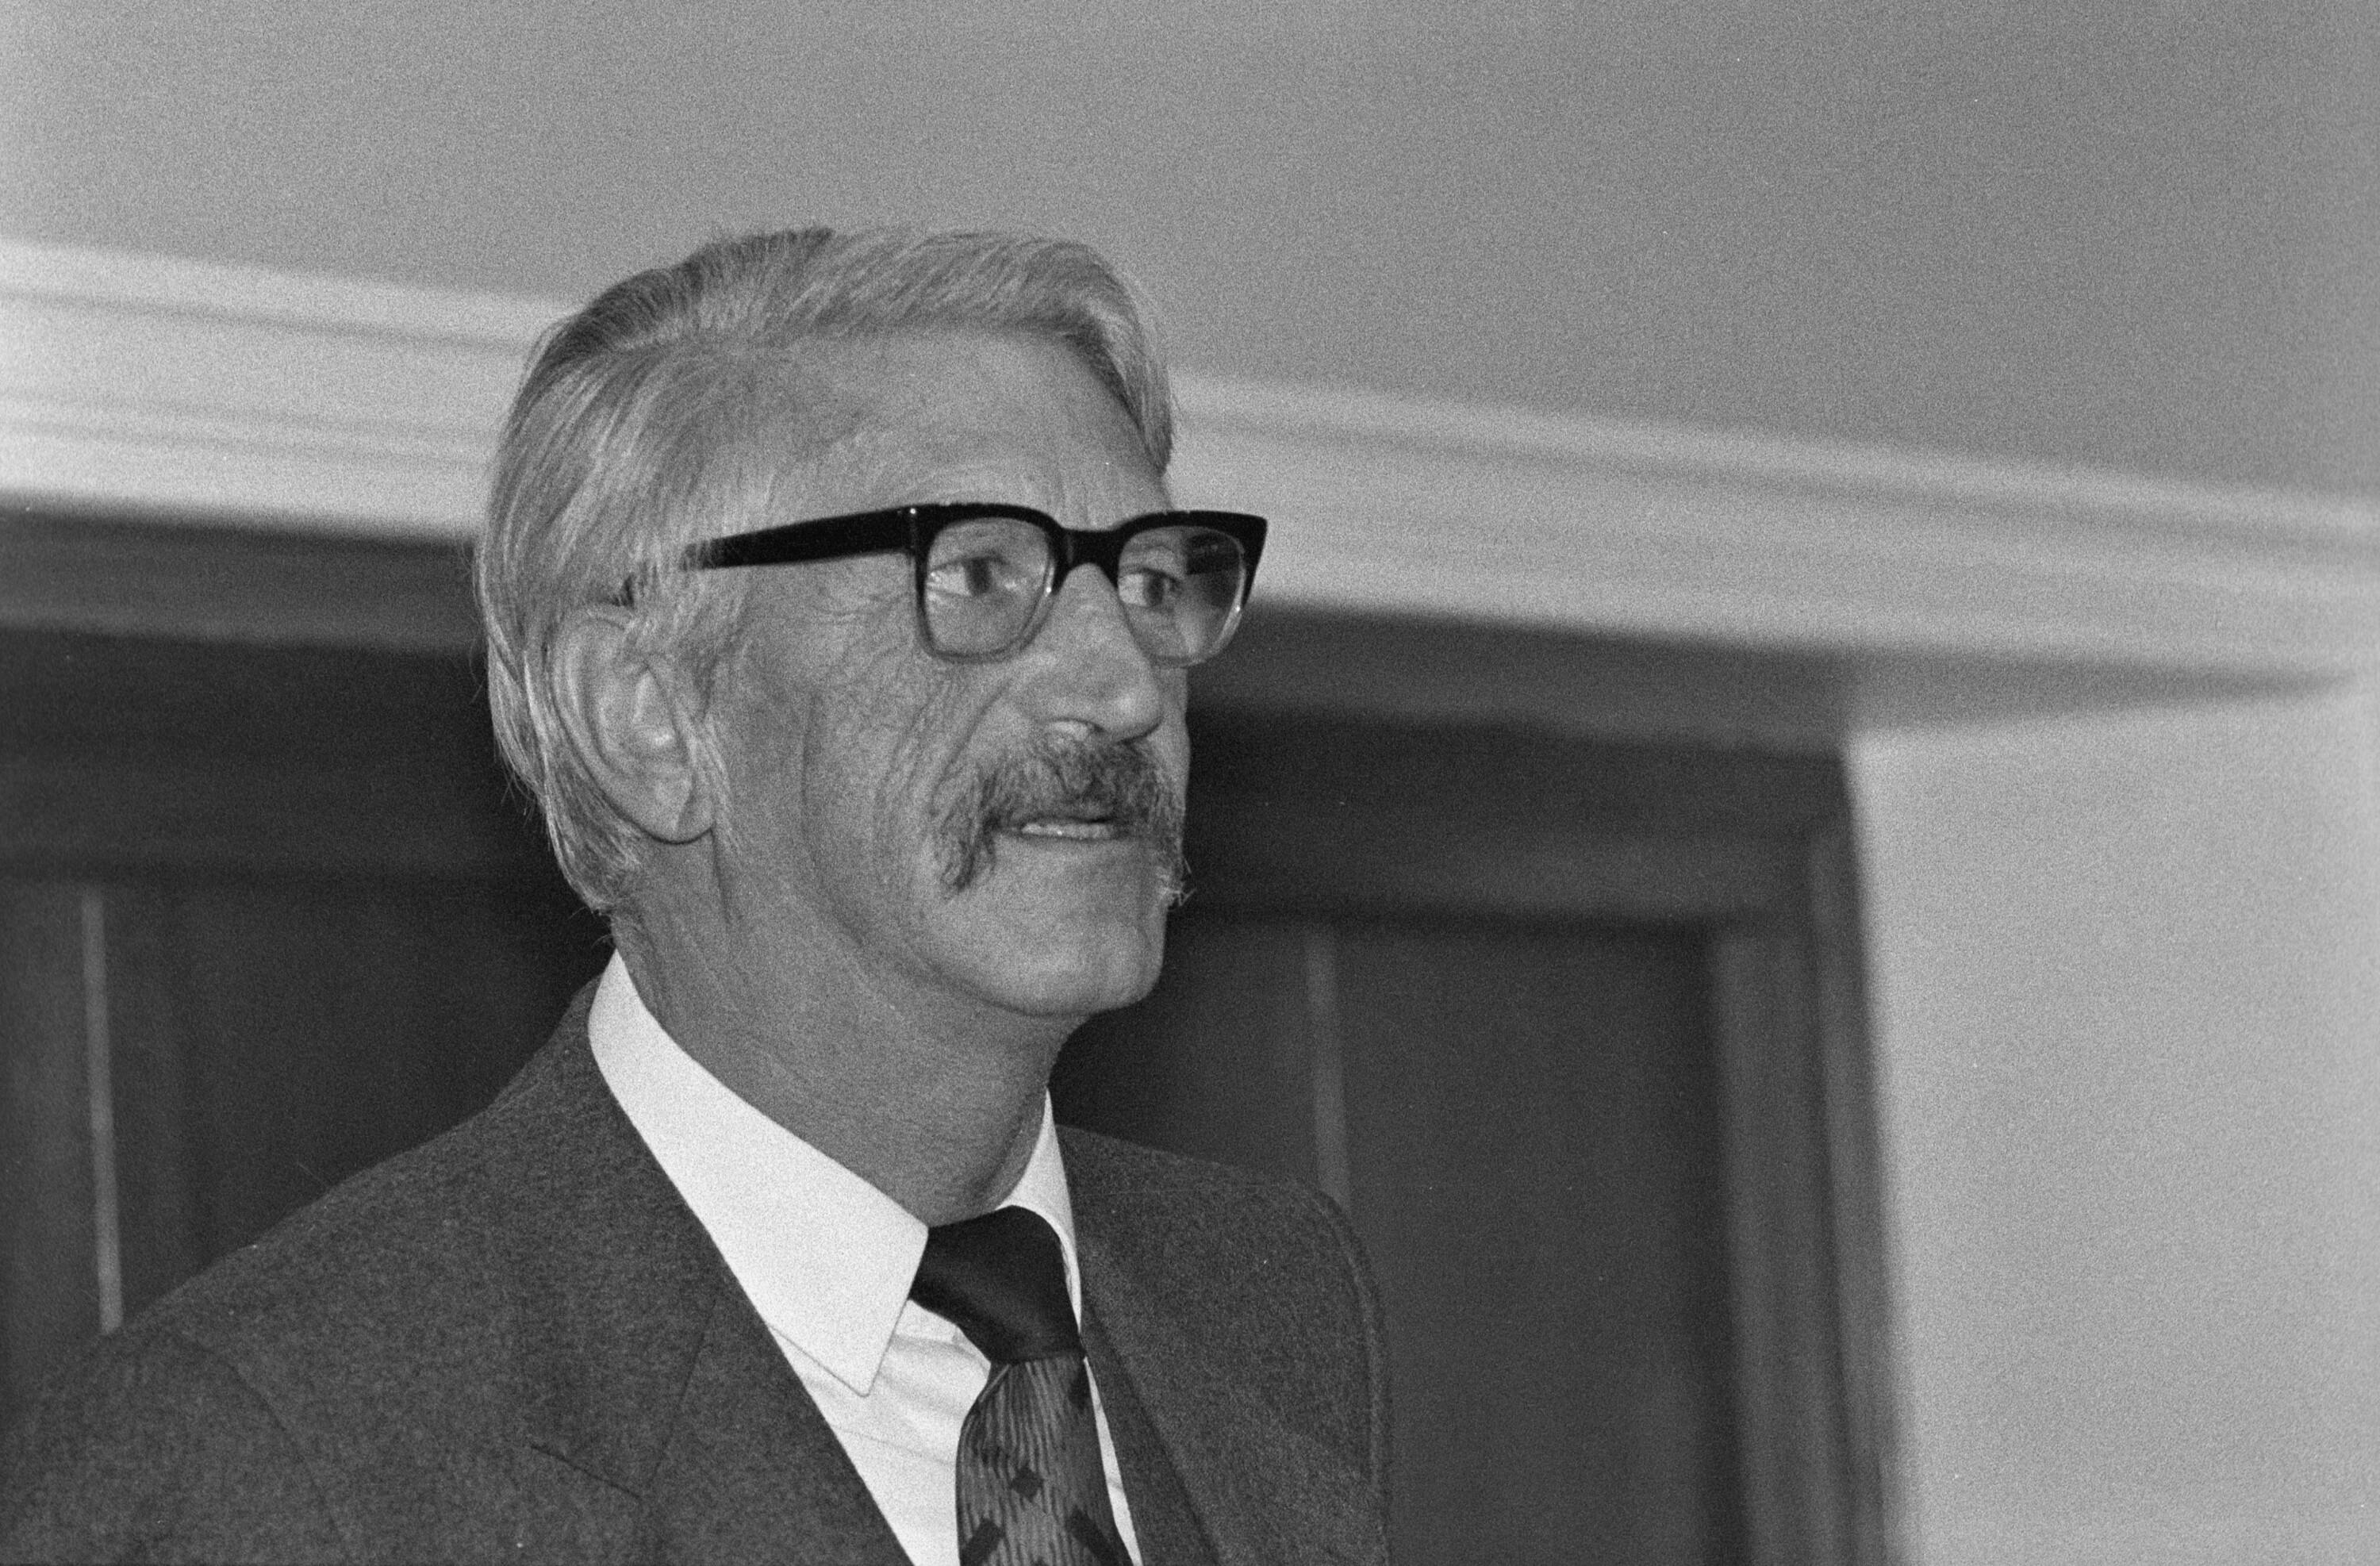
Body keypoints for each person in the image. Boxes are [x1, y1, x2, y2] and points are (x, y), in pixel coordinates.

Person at [0, 229, 1390, 1564]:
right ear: (652, 719)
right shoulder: (272, 1456)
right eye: (980, 574)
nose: (1128, 683)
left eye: (1149, 579)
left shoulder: (1263, 1294)